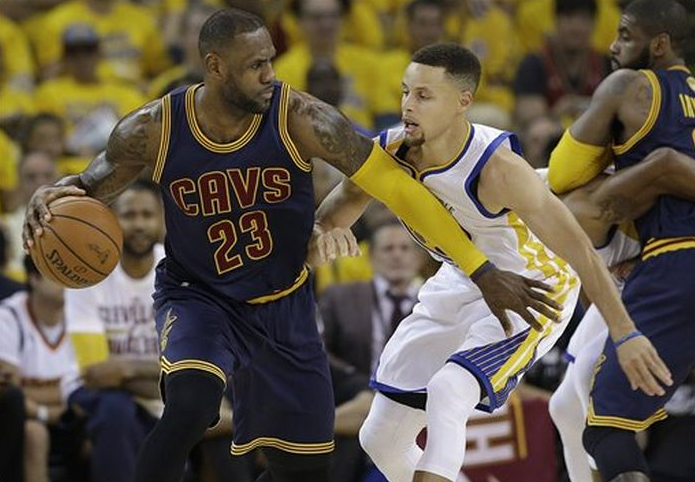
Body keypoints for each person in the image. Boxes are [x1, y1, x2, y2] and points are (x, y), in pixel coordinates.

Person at [23, 9, 560, 482]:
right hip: (200, 297)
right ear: (215, 67)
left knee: (302, 471)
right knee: (191, 405)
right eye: (255, 64)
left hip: (284, 302)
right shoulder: (154, 128)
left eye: (270, 60)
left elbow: (394, 187)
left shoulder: (301, 116)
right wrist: (47, 202)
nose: (269, 74)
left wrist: (481, 270)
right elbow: (83, 189)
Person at [313, 42, 670, 482]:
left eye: (424, 96)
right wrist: (322, 235)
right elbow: (330, 218)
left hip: (531, 285)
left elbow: (578, 249)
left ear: (463, 102)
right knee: (379, 437)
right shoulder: (391, 149)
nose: (407, 105)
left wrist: (625, 331)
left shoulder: (499, 169)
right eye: (405, 92)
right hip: (461, 278)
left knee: (449, 389)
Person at [548, 1, 695, 480]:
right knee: (569, 403)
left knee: (605, 430)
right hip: (647, 265)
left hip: (674, 260)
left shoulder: (631, 87)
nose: (612, 47)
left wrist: (642, 165)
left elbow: (564, 174)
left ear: (659, 44)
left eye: (626, 35)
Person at [544, 148, 695, 481]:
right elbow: (591, 284)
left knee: (587, 379)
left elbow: (666, 164)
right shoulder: (577, 206)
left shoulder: (656, 186)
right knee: (563, 407)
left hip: (660, 286)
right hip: (619, 296)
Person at [0, 256, 78, 482]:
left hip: (72, 417)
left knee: (107, 420)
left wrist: (38, 396)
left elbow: (89, 388)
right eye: (59, 273)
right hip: (24, 421)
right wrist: (48, 411)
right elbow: (9, 394)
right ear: (34, 278)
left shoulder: (82, 313)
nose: (68, 281)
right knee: (35, 434)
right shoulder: (9, 316)